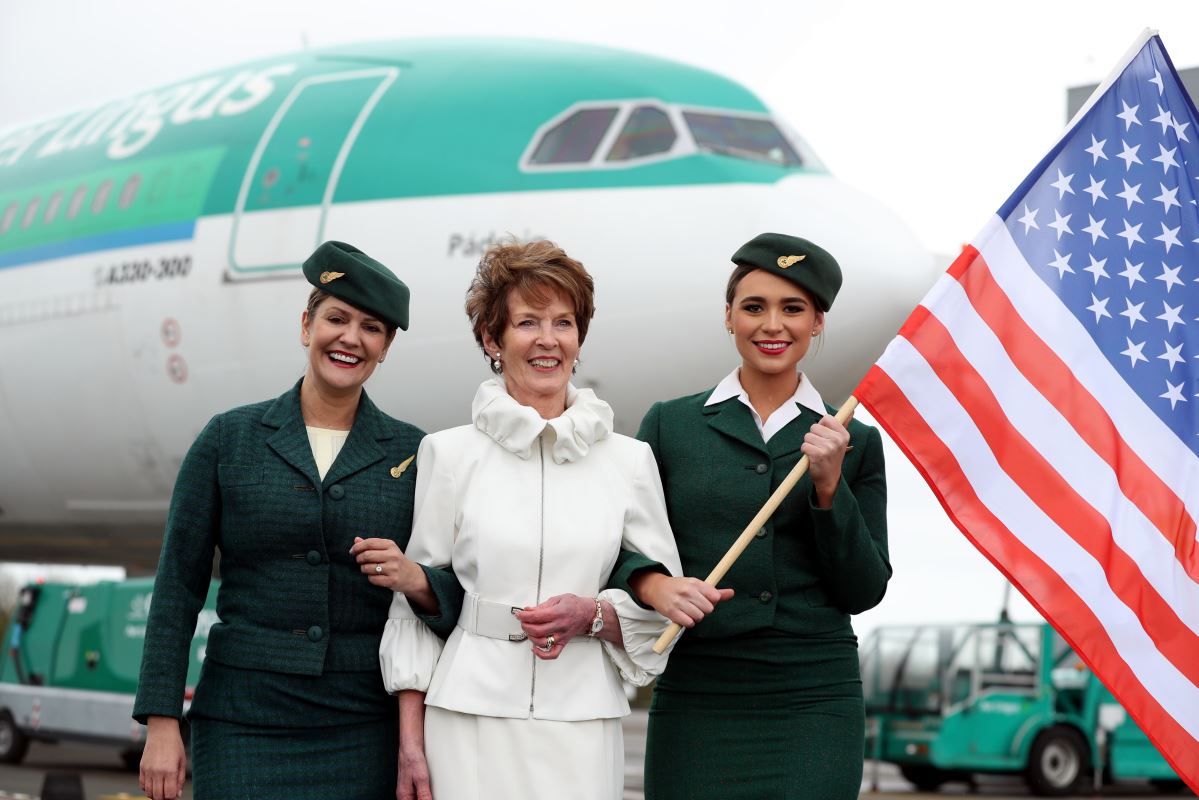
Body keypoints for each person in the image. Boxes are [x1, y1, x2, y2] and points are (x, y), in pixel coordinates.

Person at [379, 239, 725, 800]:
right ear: (493, 339)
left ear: (579, 338)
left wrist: (594, 616)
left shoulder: (629, 461)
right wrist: (410, 742)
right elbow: (412, 609)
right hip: (467, 717)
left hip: (582, 720)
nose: (548, 340)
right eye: (527, 322)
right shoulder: (447, 454)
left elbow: (659, 617)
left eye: (564, 322)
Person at [133, 241, 461, 800]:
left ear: (386, 348)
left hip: (362, 720)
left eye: (372, 328)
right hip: (243, 717)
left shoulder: (416, 452)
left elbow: (453, 586)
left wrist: (417, 580)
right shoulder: (228, 439)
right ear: (306, 325)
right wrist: (162, 721)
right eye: (336, 318)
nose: (351, 338)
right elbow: (177, 586)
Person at [633, 233, 892, 800]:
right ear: (728, 316)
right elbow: (621, 545)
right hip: (700, 690)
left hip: (814, 697)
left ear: (818, 322)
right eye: (754, 307)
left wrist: (829, 488)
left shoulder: (857, 443)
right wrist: (654, 585)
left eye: (792, 309)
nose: (772, 325)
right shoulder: (669, 426)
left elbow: (865, 588)